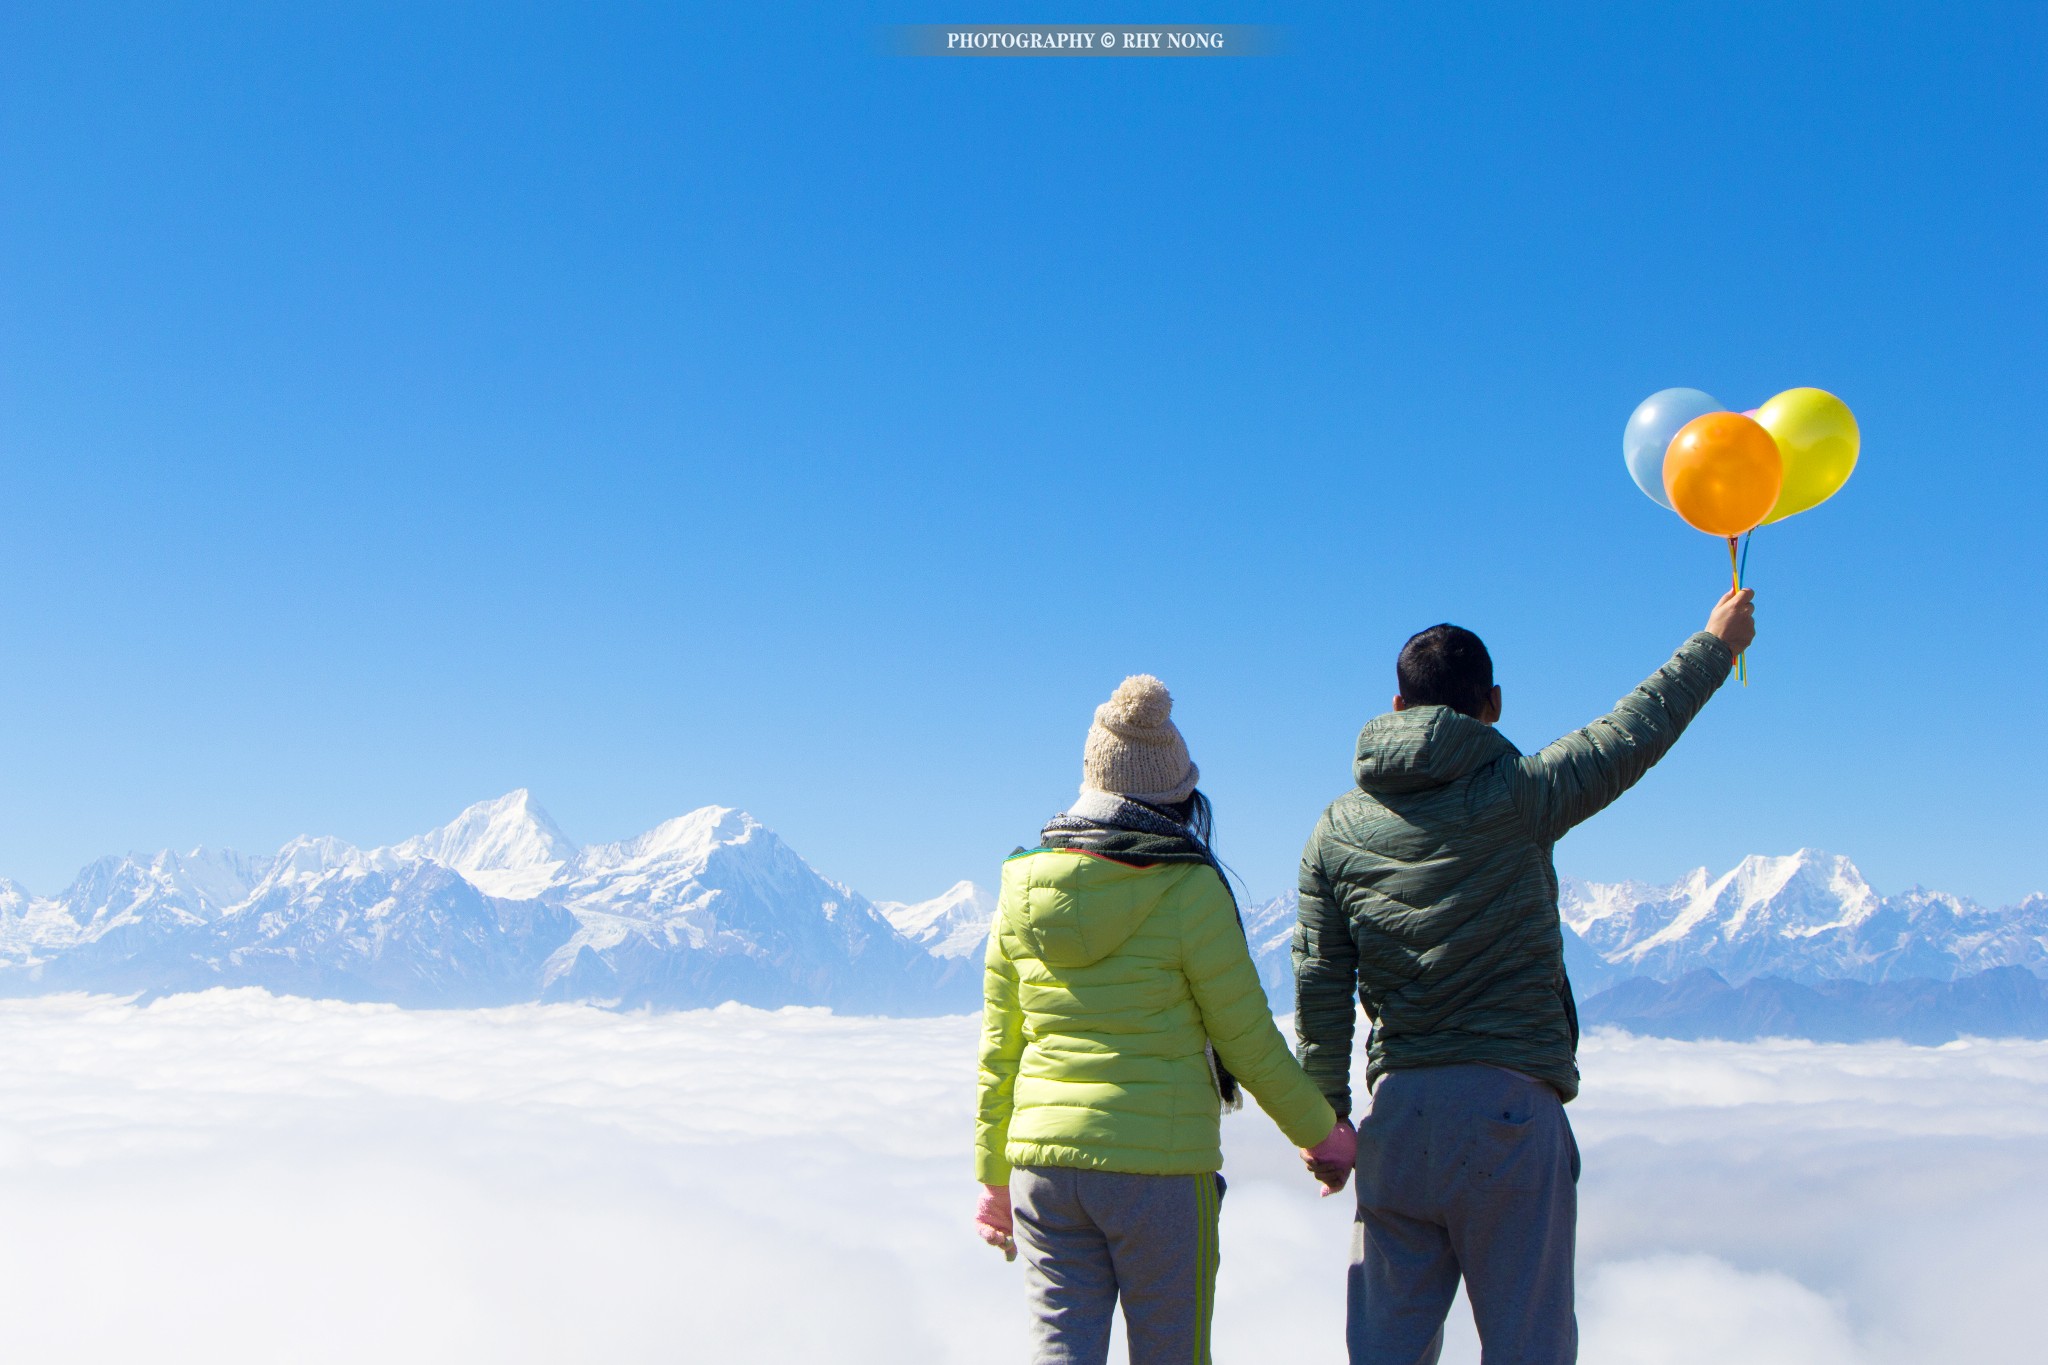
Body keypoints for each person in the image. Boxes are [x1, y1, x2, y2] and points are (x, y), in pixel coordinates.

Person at [1293, 587, 1758, 1365]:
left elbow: (1319, 986)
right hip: (1510, 1114)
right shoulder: (1521, 795)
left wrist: (1324, 1122)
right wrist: (1716, 644)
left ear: (1397, 705)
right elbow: (1630, 732)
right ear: (1495, 704)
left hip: (1399, 1118)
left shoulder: (1334, 831)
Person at [974, 673, 1356, 1365]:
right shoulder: (1188, 888)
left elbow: (1001, 1048)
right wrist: (1321, 1132)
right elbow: (1246, 1039)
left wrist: (993, 1178)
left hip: (1042, 1167)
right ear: (1174, 795)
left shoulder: (1018, 887)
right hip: (1160, 1172)